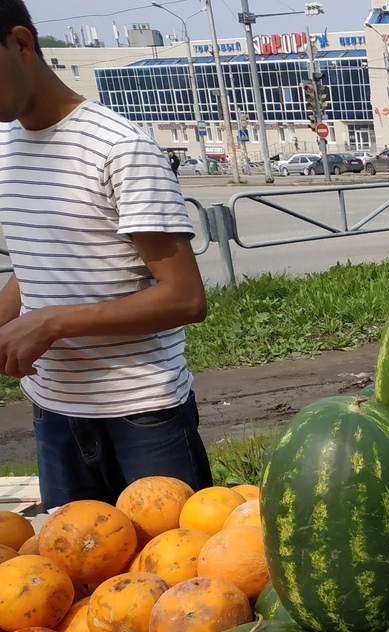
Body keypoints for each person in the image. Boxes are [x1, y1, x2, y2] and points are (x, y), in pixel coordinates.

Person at [0, 0, 213, 510]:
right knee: (69, 580)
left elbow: (185, 299)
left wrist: (50, 324)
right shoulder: (5, 148)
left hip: (143, 415)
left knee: (178, 580)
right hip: (54, 416)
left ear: (21, 44)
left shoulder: (121, 148)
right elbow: (37, 265)